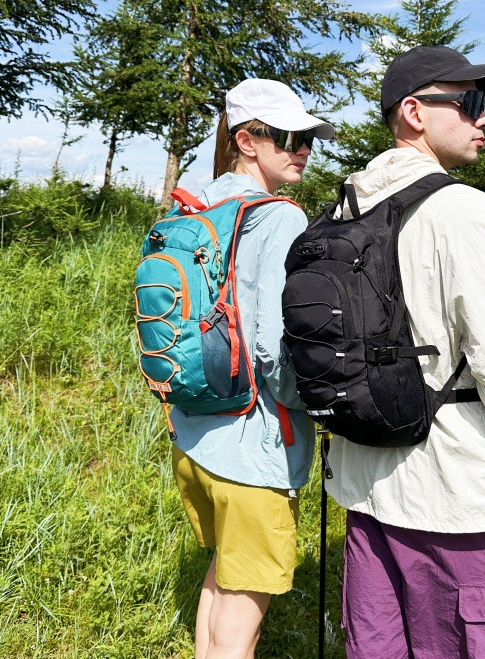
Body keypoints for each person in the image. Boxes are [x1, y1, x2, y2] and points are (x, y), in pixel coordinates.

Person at [326, 45, 485, 658]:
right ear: (414, 112)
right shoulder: (465, 212)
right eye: (471, 101)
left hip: (365, 493)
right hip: (462, 502)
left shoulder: (343, 212)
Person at [170, 78, 332, 659]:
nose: (303, 149)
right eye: (288, 137)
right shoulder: (279, 217)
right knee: (242, 617)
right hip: (256, 444)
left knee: (223, 576)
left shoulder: (198, 205)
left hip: (195, 433)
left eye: (308, 138)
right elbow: (272, 351)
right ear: (246, 140)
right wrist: (319, 403)